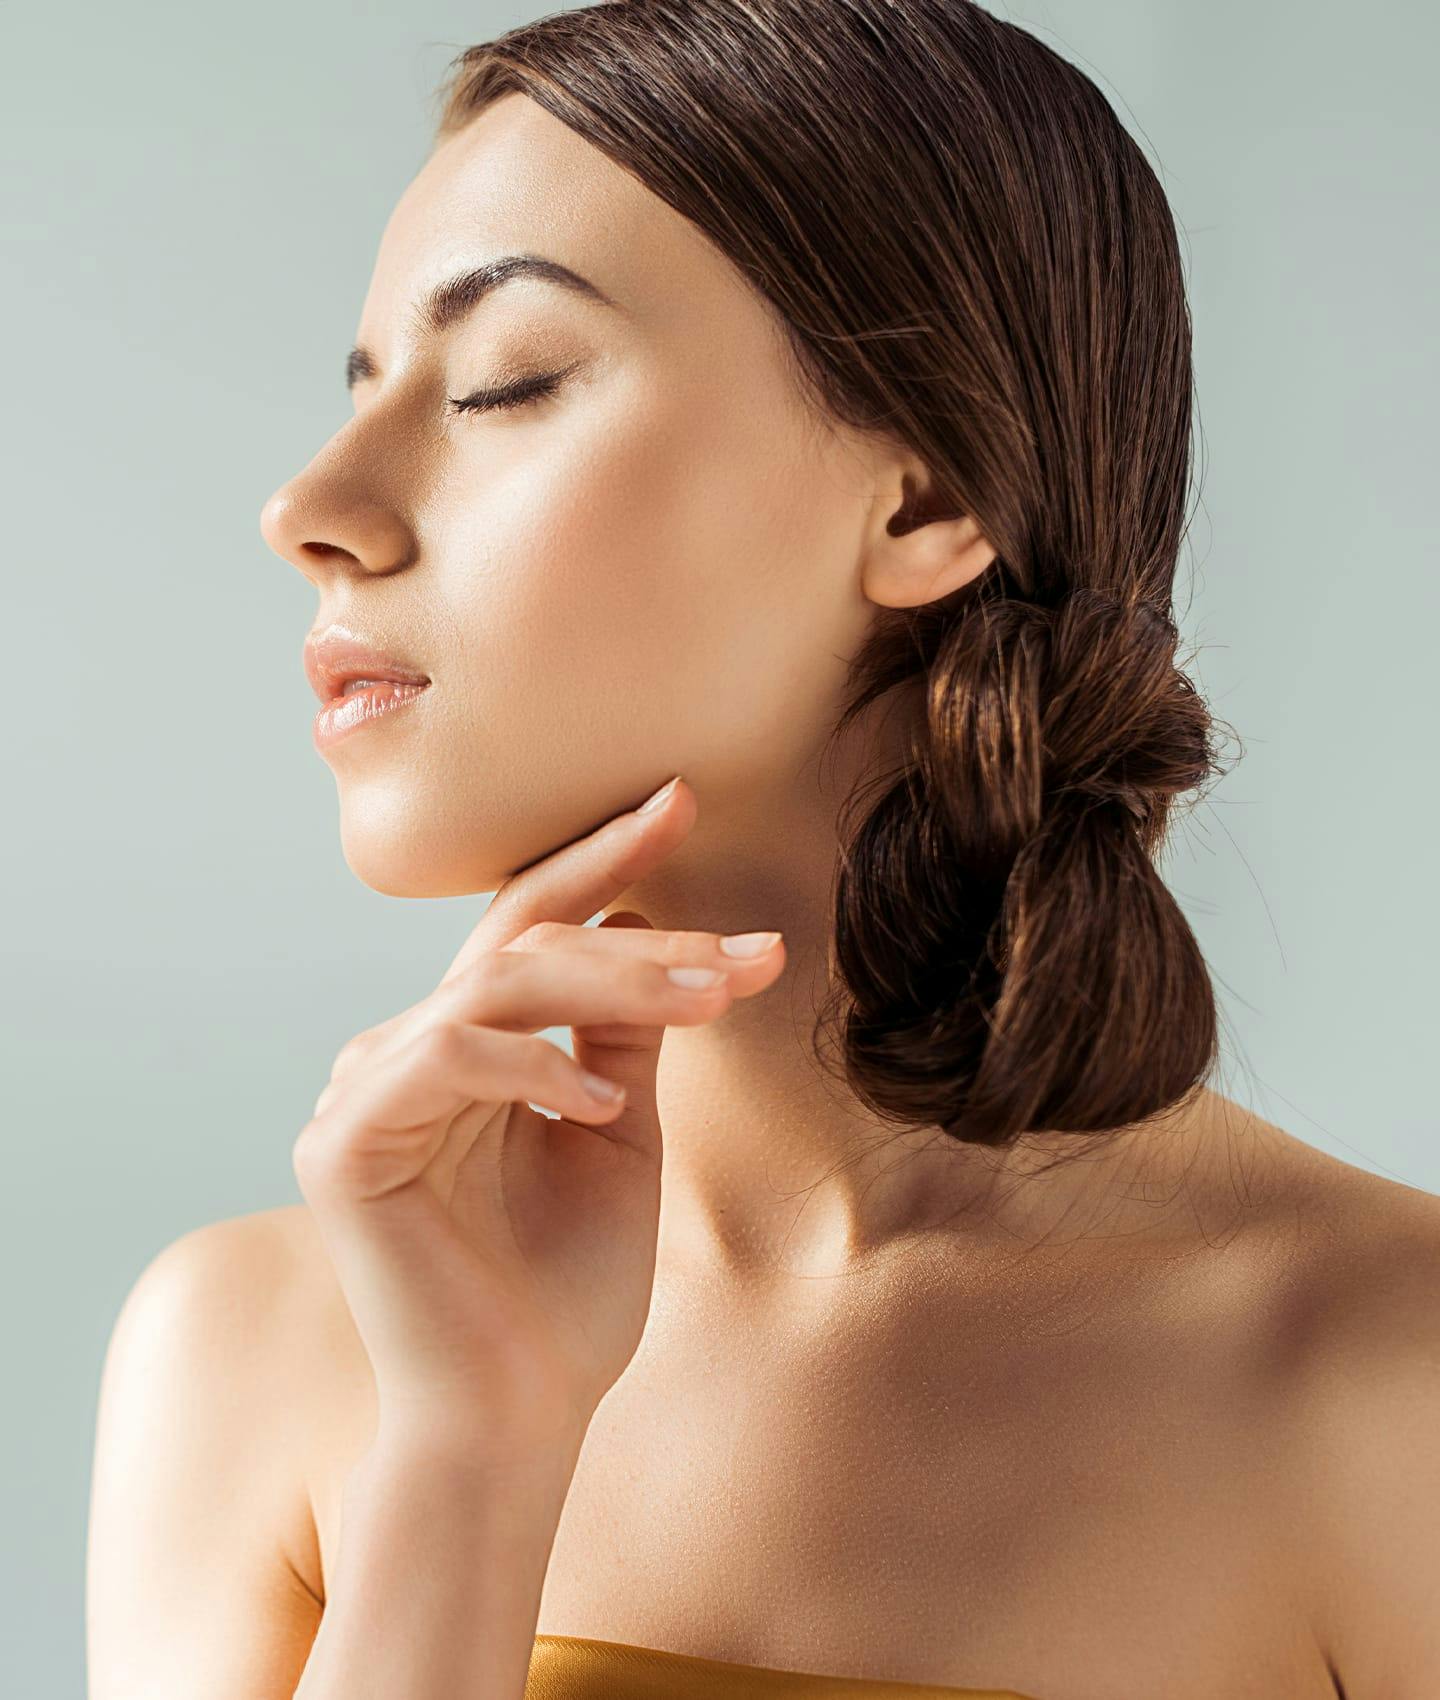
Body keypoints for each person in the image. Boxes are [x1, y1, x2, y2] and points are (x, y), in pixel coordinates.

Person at [85, 3, 1440, 1697]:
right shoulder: (252, 1352)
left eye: (505, 382)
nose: (314, 504)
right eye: (362, 388)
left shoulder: (1393, 1382)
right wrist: (469, 1457)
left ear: (925, 499)